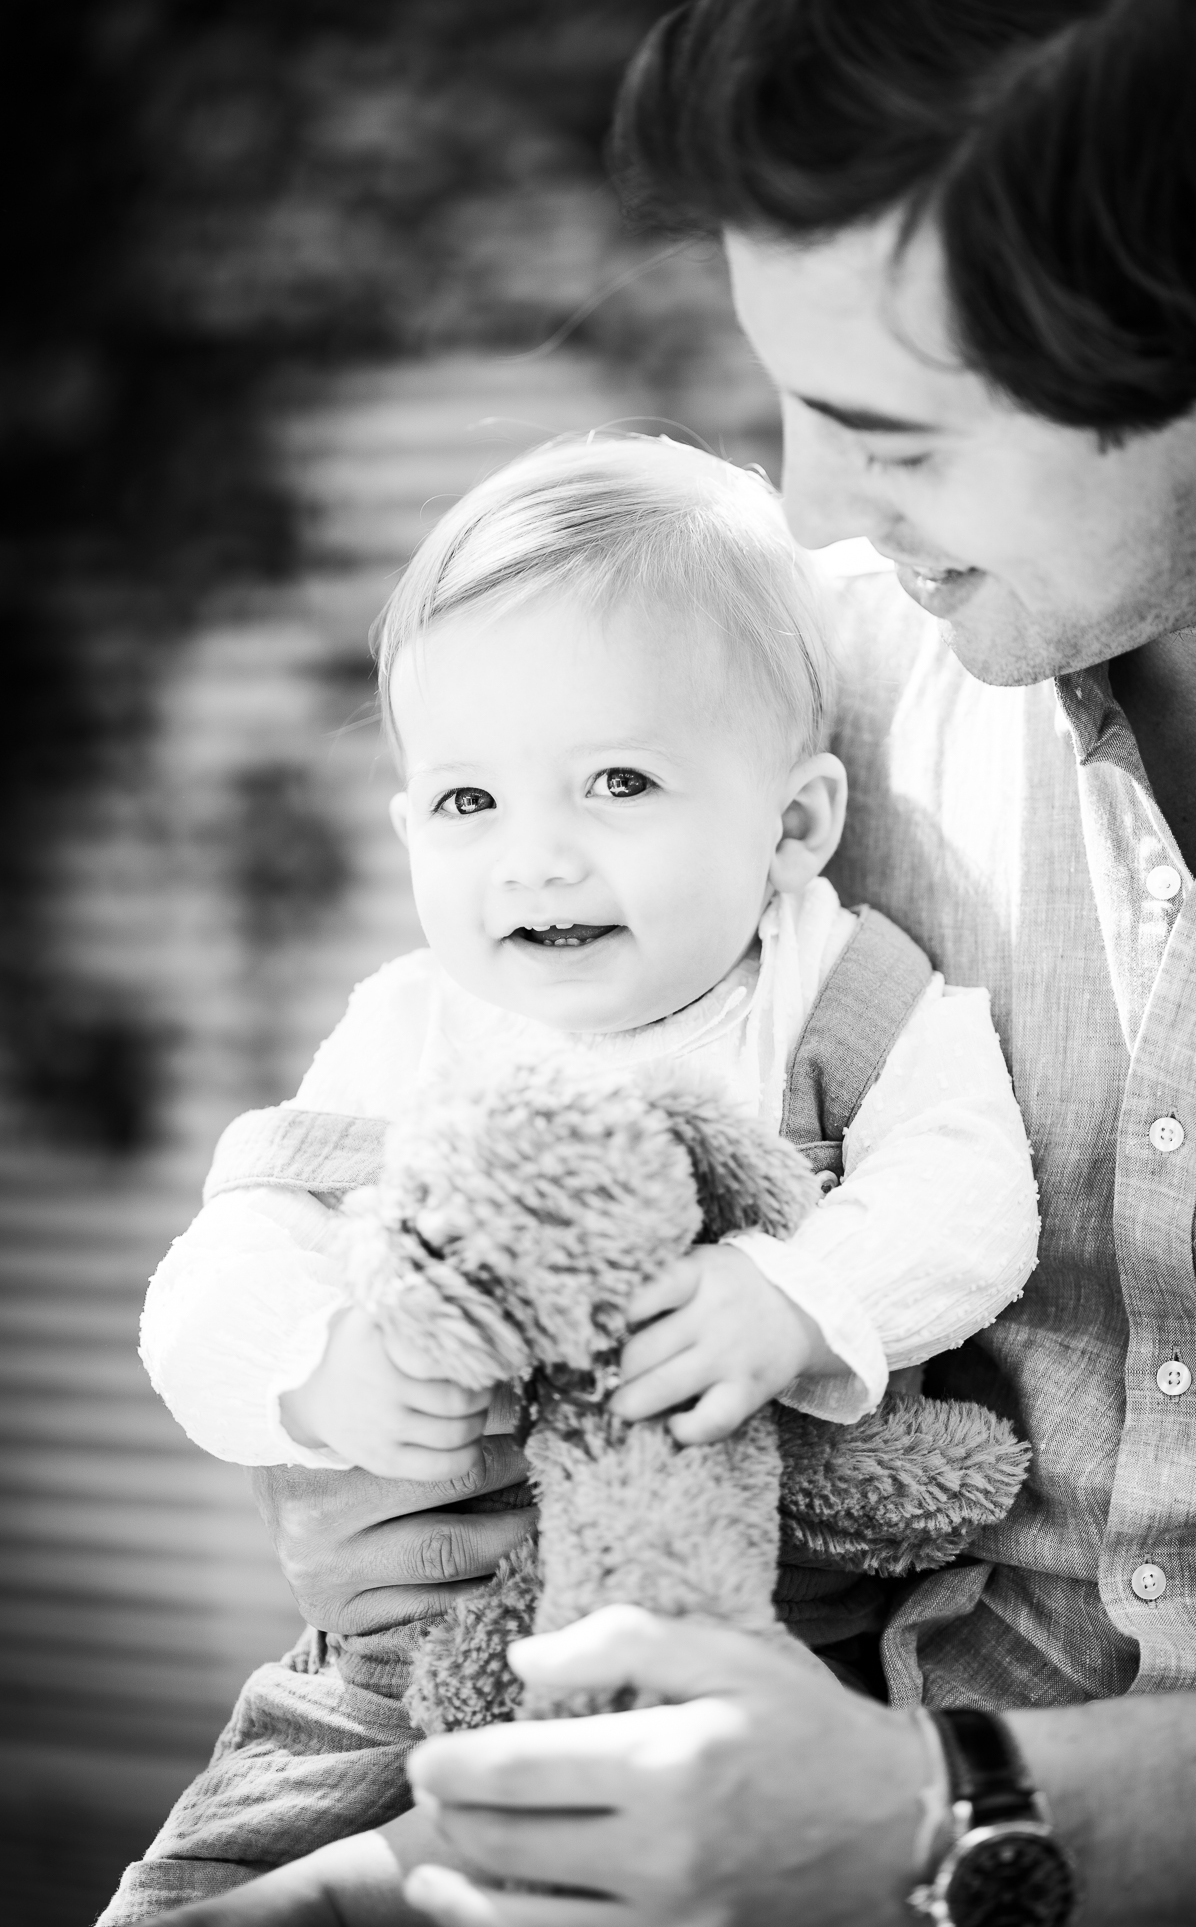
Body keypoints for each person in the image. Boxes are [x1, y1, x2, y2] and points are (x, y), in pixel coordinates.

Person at [115, 0, 1196, 1920]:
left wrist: (932, 1812)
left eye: (892, 433)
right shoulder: (790, 689)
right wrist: (375, 1450)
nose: (810, 506)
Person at [103, 433, 1039, 1921]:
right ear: (410, 828)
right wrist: (313, 1370)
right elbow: (226, 1260)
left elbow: (969, 1189)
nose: (533, 860)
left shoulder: (844, 995)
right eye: (468, 803)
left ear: (794, 824)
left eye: (617, 781)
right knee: (216, 1887)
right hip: (404, 1668)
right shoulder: (414, 1029)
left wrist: (796, 1296)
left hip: (766, 1652)